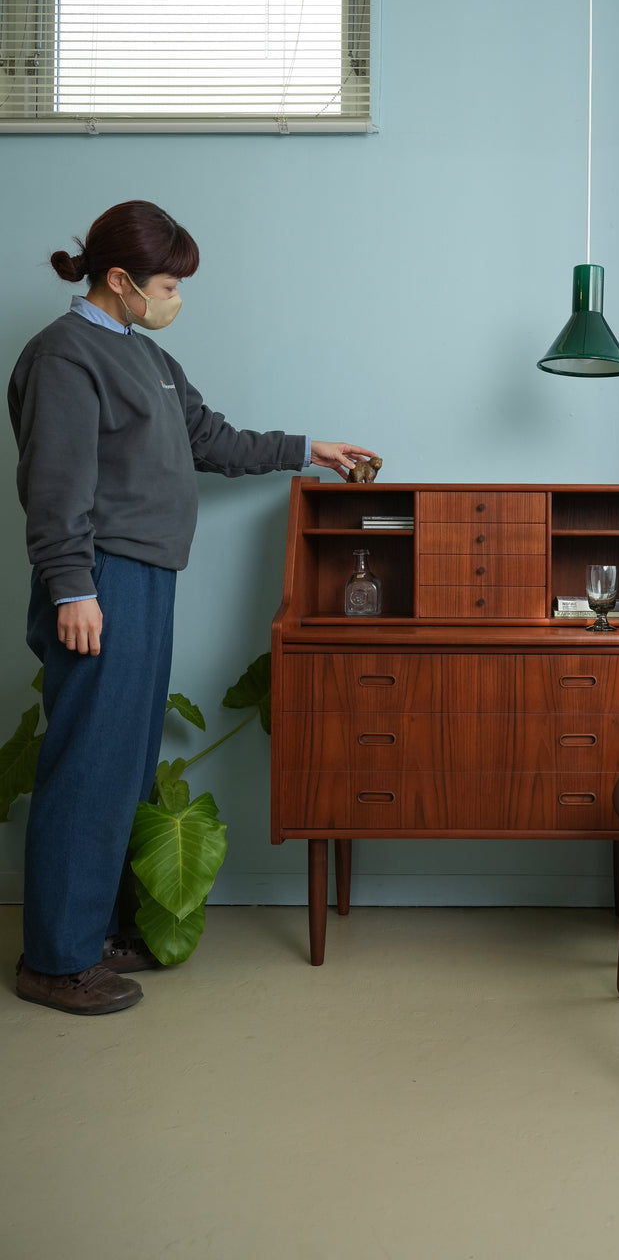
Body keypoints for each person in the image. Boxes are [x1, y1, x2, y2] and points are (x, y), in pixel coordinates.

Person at [7, 200, 377, 1016]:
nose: (176, 297)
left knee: (126, 768)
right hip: (100, 581)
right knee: (88, 766)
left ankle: (95, 934)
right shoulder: (65, 357)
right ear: (120, 281)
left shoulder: (148, 359)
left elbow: (210, 438)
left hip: (148, 577)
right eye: (168, 283)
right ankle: (53, 960)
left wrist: (306, 448)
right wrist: (73, 587)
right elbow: (55, 485)